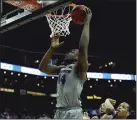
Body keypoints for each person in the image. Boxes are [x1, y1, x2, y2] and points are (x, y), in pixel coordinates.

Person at [39, 7, 92, 119]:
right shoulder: (62, 68)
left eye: (74, 51)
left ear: (79, 58)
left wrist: (86, 23)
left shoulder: (80, 68)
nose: (70, 51)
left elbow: (82, 48)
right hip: (59, 112)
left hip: (73, 112)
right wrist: (52, 48)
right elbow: (42, 68)